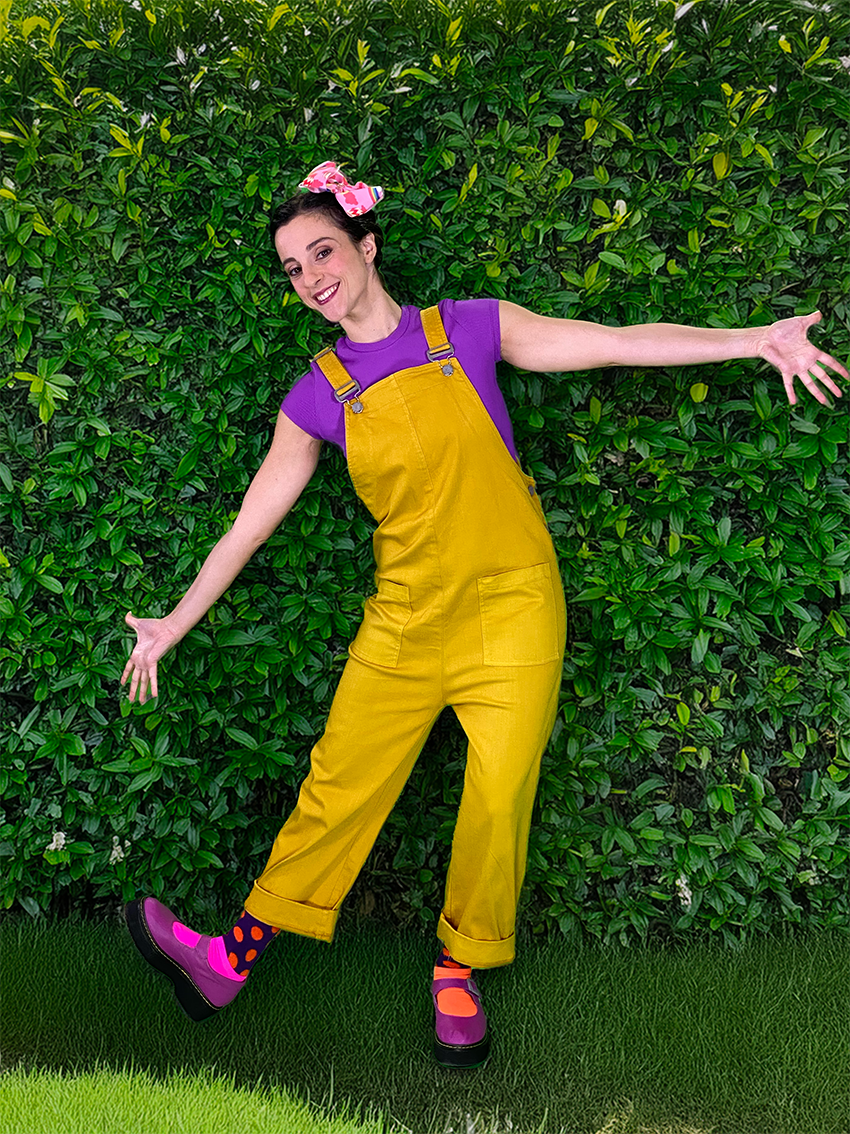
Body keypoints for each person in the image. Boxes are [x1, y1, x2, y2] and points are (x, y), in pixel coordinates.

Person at [122, 160, 847, 1068]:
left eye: (323, 252)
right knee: (337, 783)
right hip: (405, 618)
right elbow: (249, 525)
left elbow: (614, 342)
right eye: (294, 268)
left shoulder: (466, 328)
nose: (311, 277)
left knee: (499, 797)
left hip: (516, 609)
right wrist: (173, 623)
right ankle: (227, 959)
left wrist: (753, 340)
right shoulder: (318, 394)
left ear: (366, 246)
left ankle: (458, 969)